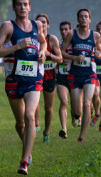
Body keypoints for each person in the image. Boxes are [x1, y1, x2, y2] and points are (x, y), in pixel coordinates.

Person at [0, 0, 46, 175]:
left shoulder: (37, 25)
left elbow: (43, 43)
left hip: (33, 79)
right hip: (14, 79)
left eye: (25, 4)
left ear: (30, 7)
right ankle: (26, 147)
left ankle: (24, 162)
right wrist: (17, 46)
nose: (22, 7)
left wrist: (43, 52)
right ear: (14, 7)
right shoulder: (8, 26)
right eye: (19, 5)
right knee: (20, 123)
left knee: (30, 116)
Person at [61, 8, 101, 143]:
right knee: (77, 110)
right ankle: (75, 116)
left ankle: (81, 137)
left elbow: (100, 52)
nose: (84, 18)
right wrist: (74, 57)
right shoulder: (72, 34)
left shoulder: (96, 35)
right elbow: (62, 52)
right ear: (78, 19)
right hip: (74, 74)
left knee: (87, 103)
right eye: (81, 17)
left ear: (90, 19)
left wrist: (98, 54)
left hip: (89, 74)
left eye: (86, 16)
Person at [34, 13, 62, 143]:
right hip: (34, 75)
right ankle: (36, 125)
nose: (42, 24)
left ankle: (46, 133)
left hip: (49, 75)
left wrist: (48, 54)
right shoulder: (32, 38)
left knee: (48, 107)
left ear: (48, 25)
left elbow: (60, 59)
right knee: (34, 103)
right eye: (39, 21)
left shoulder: (52, 39)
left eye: (44, 22)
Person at [56, 21, 72, 138]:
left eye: (66, 29)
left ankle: (77, 116)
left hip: (75, 77)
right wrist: (59, 61)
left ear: (70, 30)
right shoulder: (58, 44)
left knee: (78, 107)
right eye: (62, 29)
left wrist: (71, 59)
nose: (64, 32)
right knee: (64, 101)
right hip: (62, 77)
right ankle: (64, 129)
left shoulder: (76, 43)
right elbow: (54, 59)